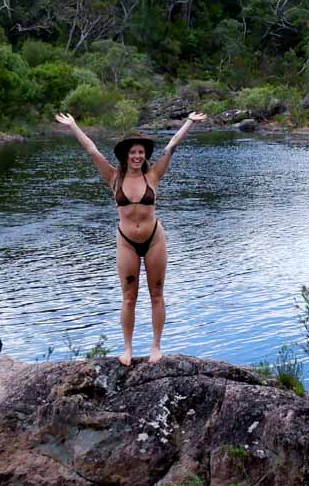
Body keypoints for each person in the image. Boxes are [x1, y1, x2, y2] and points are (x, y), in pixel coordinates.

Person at [55, 110, 207, 365]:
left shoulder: (153, 175)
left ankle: (156, 347)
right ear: (126, 155)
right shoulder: (114, 178)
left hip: (154, 239)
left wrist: (189, 122)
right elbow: (92, 150)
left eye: (141, 152)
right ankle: (127, 348)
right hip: (126, 241)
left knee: (156, 293)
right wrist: (73, 126)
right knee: (128, 297)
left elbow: (171, 146)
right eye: (133, 152)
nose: (137, 156)